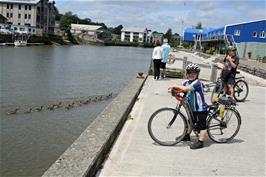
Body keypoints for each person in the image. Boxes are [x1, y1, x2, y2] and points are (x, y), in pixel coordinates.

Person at [168, 63, 208, 149]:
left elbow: (186, 89)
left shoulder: (197, 83)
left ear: (197, 74)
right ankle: (187, 135)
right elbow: (181, 87)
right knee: (190, 121)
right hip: (192, 107)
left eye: (194, 73)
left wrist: (174, 85)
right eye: (189, 73)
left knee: (202, 126)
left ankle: (200, 142)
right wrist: (174, 90)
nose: (191, 75)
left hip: (200, 109)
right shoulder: (186, 82)